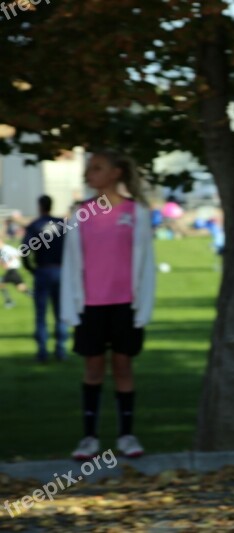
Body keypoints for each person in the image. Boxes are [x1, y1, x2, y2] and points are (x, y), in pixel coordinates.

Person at [61, 150, 156, 460]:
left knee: (123, 367)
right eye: (89, 169)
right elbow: (71, 263)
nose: (90, 174)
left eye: (97, 168)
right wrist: (71, 307)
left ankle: (127, 436)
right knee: (93, 368)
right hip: (90, 306)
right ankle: (88, 438)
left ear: (116, 173)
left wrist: (142, 307)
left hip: (124, 306)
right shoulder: (80, 213)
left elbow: (145, 264)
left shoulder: (136, 212)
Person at [22, 195, 68, 362]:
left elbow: (25, 250)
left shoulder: (34, 225)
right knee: (60, 312)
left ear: (39, 206)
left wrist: (31, 269)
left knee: (41, 313)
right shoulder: (62, 224)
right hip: (60, 270)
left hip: (42, 271)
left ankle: (42, 351)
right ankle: (61, 350)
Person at [0, 238, 30, 309]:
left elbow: (18, 253)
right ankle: (35, 295)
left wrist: (11, 260)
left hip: (12, 269)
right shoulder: (2, 250)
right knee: (21, 287)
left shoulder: (7, 249)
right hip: (11, 270)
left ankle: (9, 301)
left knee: (1, 283)